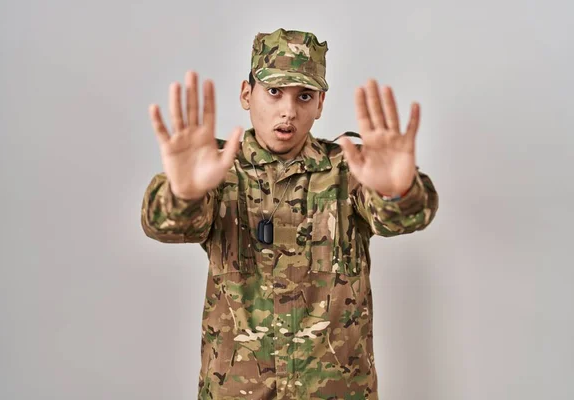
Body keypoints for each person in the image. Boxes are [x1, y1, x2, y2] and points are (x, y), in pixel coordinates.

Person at [141, 28, 439, 400]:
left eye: (304, 96)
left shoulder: (349, 169)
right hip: (237, 391)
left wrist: (399, 190)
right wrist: (183, 193)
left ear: (320, 104)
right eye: (274, 91)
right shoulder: (217, 168)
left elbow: (402, 217)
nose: (288, 110)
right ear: (247, 94)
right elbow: (163, 225)